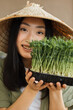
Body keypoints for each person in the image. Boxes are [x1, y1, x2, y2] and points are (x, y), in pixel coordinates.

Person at [0, 1, 73, 110]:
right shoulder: (2, 67)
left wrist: (55, 91)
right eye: (24, 29)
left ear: (48, 39)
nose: (30, 39)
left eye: (39, 32)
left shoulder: (64, 71)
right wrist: (31, 90)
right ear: (14, 34)